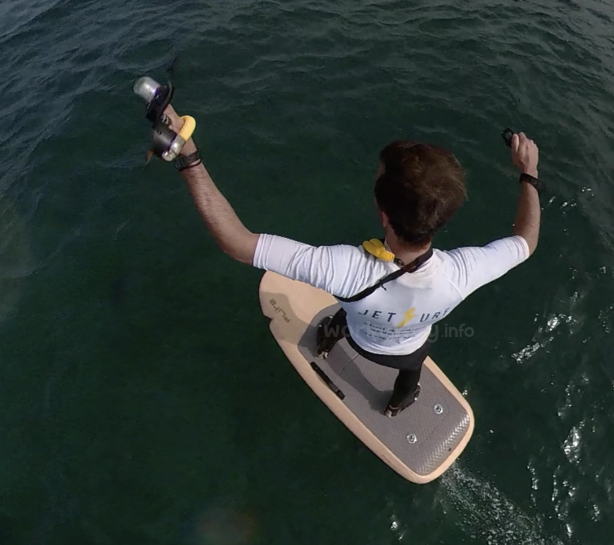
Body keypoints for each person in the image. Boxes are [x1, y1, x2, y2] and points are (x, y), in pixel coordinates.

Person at [160, 105, 541, 417]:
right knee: (411, 372)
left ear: (382, 214)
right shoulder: (463, 273)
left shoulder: (343, 269)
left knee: (341, 315)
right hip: (409, 349)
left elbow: (237, 242)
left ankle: (326, 341)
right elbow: (526, 239)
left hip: (361, 338)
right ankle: (398, 403)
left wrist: (190, 158)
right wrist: (529, 172)